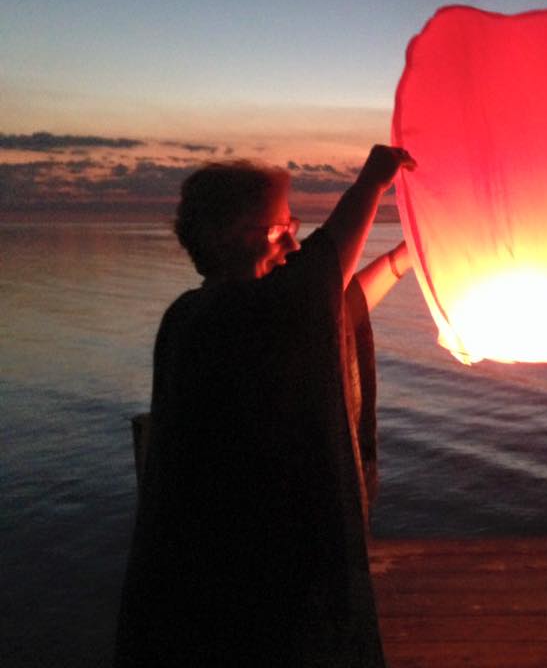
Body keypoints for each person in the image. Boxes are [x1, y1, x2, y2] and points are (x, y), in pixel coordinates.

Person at [115, 145, 415, 667]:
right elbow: (325, 270)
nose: (294, 242)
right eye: (279, 230)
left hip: (225, 561)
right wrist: (374, 179)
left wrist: (409, 255)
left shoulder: (196, 315)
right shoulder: (236, 316)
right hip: (252, 570)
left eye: (293, 225)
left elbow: (338, 298)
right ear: (224, 238)